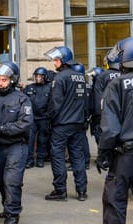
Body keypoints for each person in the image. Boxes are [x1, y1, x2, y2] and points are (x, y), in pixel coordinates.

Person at [0, 62, 33, 224]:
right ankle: (7, 207)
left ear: (12, 80)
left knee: (12, 181)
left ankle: (13, 213)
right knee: (0, 180)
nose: (0, 83)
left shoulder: (22, 99)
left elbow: (25, 123)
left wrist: (1, 129)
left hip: (16, 146)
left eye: (4, 80)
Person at [95, 37, 133, 224]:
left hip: (125, 156)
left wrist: (103, 154)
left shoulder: (117, 85)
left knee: (115, 203)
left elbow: (110, 129)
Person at [44, 46, 88, 201]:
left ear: (64, 60)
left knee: (57, 156)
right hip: (77, 123)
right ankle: (82, 191)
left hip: (61, 125)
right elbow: (85, 101)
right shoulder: (81, 77)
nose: (54, 63)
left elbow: (55, 104)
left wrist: (49, 120)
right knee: (77, 157)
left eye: (56, 60)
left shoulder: (60, 78)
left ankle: (60, 190)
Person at [23, 67, 51, 168]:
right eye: (37, 76)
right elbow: (24, 102)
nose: (38, 78)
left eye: (41, 76)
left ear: (45, 77)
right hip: (32, 119)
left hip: (44, 118)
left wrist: (48, 115)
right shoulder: (29, 87)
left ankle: (40, 159)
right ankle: (29, 160)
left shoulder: (49, 88)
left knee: (42, 140)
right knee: (29, 140)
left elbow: (52, 103)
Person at [92, 52, 120, 144]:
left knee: (105, 148)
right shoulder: (126, 76)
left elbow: (98, 101)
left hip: (107, 119)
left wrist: (97, 119)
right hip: (125, 119)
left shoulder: (102, 76)